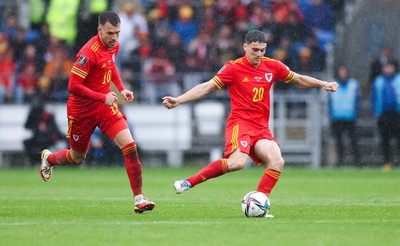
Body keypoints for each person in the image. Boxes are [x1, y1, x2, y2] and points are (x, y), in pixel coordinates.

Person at [162, 30, 339, 217]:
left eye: (262, 50)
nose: (259, 54)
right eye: (255, 50)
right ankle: (188, 182)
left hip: (261, 127)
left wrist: (322, 84)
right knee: (237, 163)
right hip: (241, 124)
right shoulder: (233, 68)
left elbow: (299, 79)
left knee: (277, 161)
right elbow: (206, 87)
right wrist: (179, 100)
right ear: (245, 47)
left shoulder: (273, 66)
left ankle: (259, 203)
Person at [39, 11, 155, 213]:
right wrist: (103, 96)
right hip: (82, 110)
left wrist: (121, 89)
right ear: (99, 30)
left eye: (118, 33)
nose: (115, 38)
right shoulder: (87, 53)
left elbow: (110, 67)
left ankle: (139, 199)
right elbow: (73, 86)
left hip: (105, 107)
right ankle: (49, 159)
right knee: (77, 158)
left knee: (130, 147)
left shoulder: (114, 45)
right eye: (110, 33)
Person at [328, 65, 361, 167]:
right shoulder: (332, 84)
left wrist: (356, 113)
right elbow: (329, 102)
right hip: (337, 117)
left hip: (350, 117)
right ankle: (340, 161)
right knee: (339, 141)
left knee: (353, 140)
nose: (342, 74)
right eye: (341, 72)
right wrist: (330, 114)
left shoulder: (353, 84)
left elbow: (357, 100)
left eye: (344, 72)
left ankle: (357, 161)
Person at [370, 60, 400, 171]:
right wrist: (375, 113)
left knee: (398, 139)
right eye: (386, 67)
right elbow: (373, 99)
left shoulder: (398, 80)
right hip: (383, 115)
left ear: (394, 68)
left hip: (397, 114)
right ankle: (387, 163)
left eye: (390, 67)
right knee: (385, 140)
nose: (388, 69)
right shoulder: (378, 81)